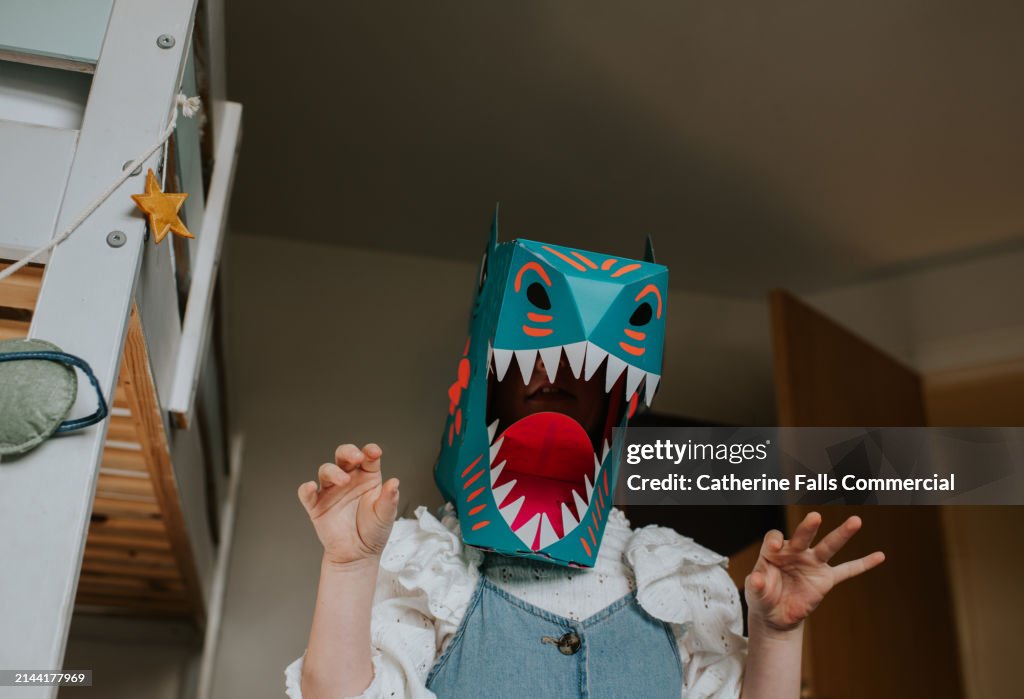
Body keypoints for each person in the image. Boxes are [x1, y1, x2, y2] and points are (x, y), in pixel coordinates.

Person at [285, 229, 885, 698]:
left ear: (615, 401)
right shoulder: (438, 573)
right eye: (534, 357)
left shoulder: (672, 582)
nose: (554, 374)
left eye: (580, 365)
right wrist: (348, 564)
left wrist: (778, 634)